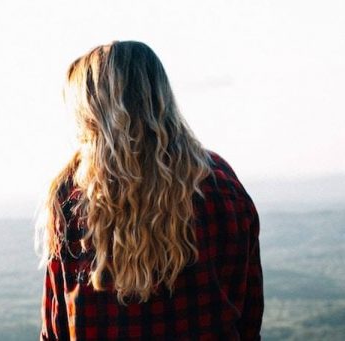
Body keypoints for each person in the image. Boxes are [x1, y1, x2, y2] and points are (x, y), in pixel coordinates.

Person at [35, 41, 263, 340]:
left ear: (90, 114)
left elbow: (56, 329)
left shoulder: (71, 194)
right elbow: (247, 316)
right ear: (159, 97)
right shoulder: (219, 184)